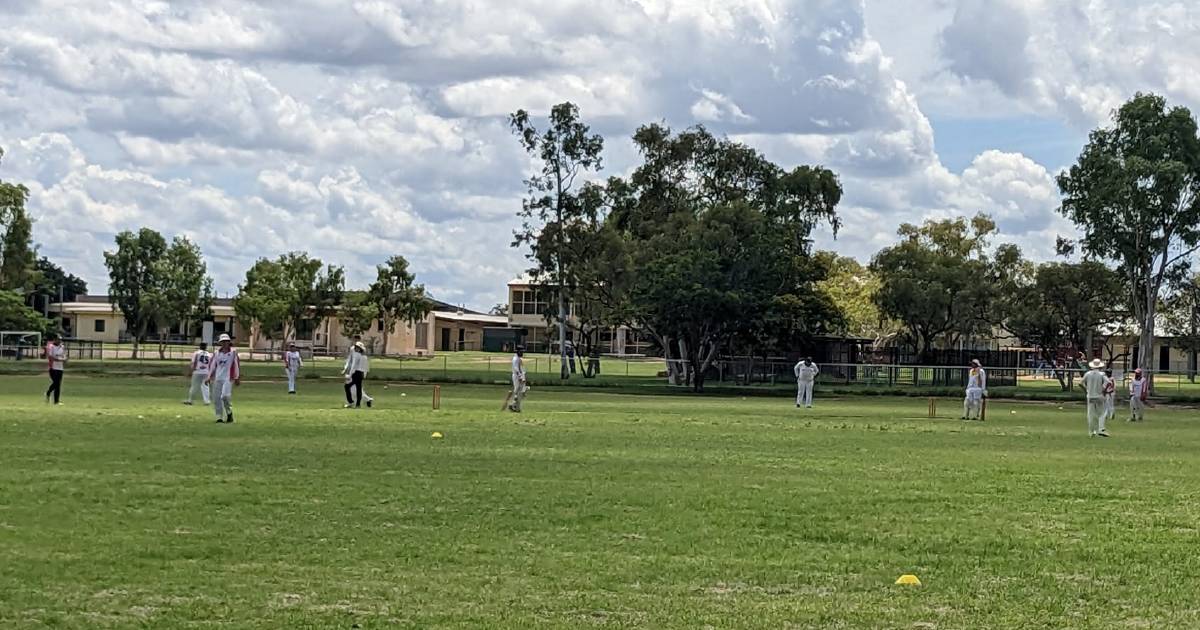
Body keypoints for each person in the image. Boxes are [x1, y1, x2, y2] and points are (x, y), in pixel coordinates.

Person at [206, 334, 240, 423]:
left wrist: (236, 377)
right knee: (216, 398)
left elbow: (236, 365)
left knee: (225, 396)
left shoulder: (233, 353)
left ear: (229, 342)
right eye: (223, 342)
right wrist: (209, 377)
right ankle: (219, 417)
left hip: (228, 378)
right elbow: (212, 365)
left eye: (226, 341)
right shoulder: (217, 353)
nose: (225, 343)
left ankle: (229, 413)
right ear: (220, 343)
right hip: (218, 378)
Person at [1082, 358, 1110, 437]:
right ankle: (1101, 429)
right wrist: (1103, 389)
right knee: (1102, 413)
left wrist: (1087, 390)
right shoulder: (1102, 374)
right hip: (1099, 396)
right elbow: (1108, 382)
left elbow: (1081, 383)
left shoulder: (1088, 374)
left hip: (1090, 396)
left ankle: (1091, 432)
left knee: (1090, 414)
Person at [343, 335, 373, 408]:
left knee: (350, 387)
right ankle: (359, 403)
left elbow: (354, 366)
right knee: (358, 389)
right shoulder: (364, 356)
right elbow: (366, 367)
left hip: (356, 373)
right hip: (360, 374)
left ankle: (353, 402)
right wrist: (364, 374)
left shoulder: (358, 356)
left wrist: (349, 374)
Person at [45, 336, 66, 405]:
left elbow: (64, 355)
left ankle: (56, 401)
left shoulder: (62, 347)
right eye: (58, 339)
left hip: (60, 368)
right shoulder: (51, 347)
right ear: (54, 340)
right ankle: (48, 393)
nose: (59, 341)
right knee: (56, 383)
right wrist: (59, 359)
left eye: (60, 340)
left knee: (58, 385)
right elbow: (50, 357)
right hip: (53, 368)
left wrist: (64, 359)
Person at [509, 346, 528, 412]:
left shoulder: (518, 359)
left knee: (522, 391)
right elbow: (516, 369)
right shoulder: (515, 359)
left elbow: (521, 369)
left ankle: (515, 406)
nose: (522, 353)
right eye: (521, 351)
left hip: (519, 376)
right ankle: (514, 405)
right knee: (519, 391)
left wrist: (523, 376)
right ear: (518, 351)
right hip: (517, 376)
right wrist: (520, 377)